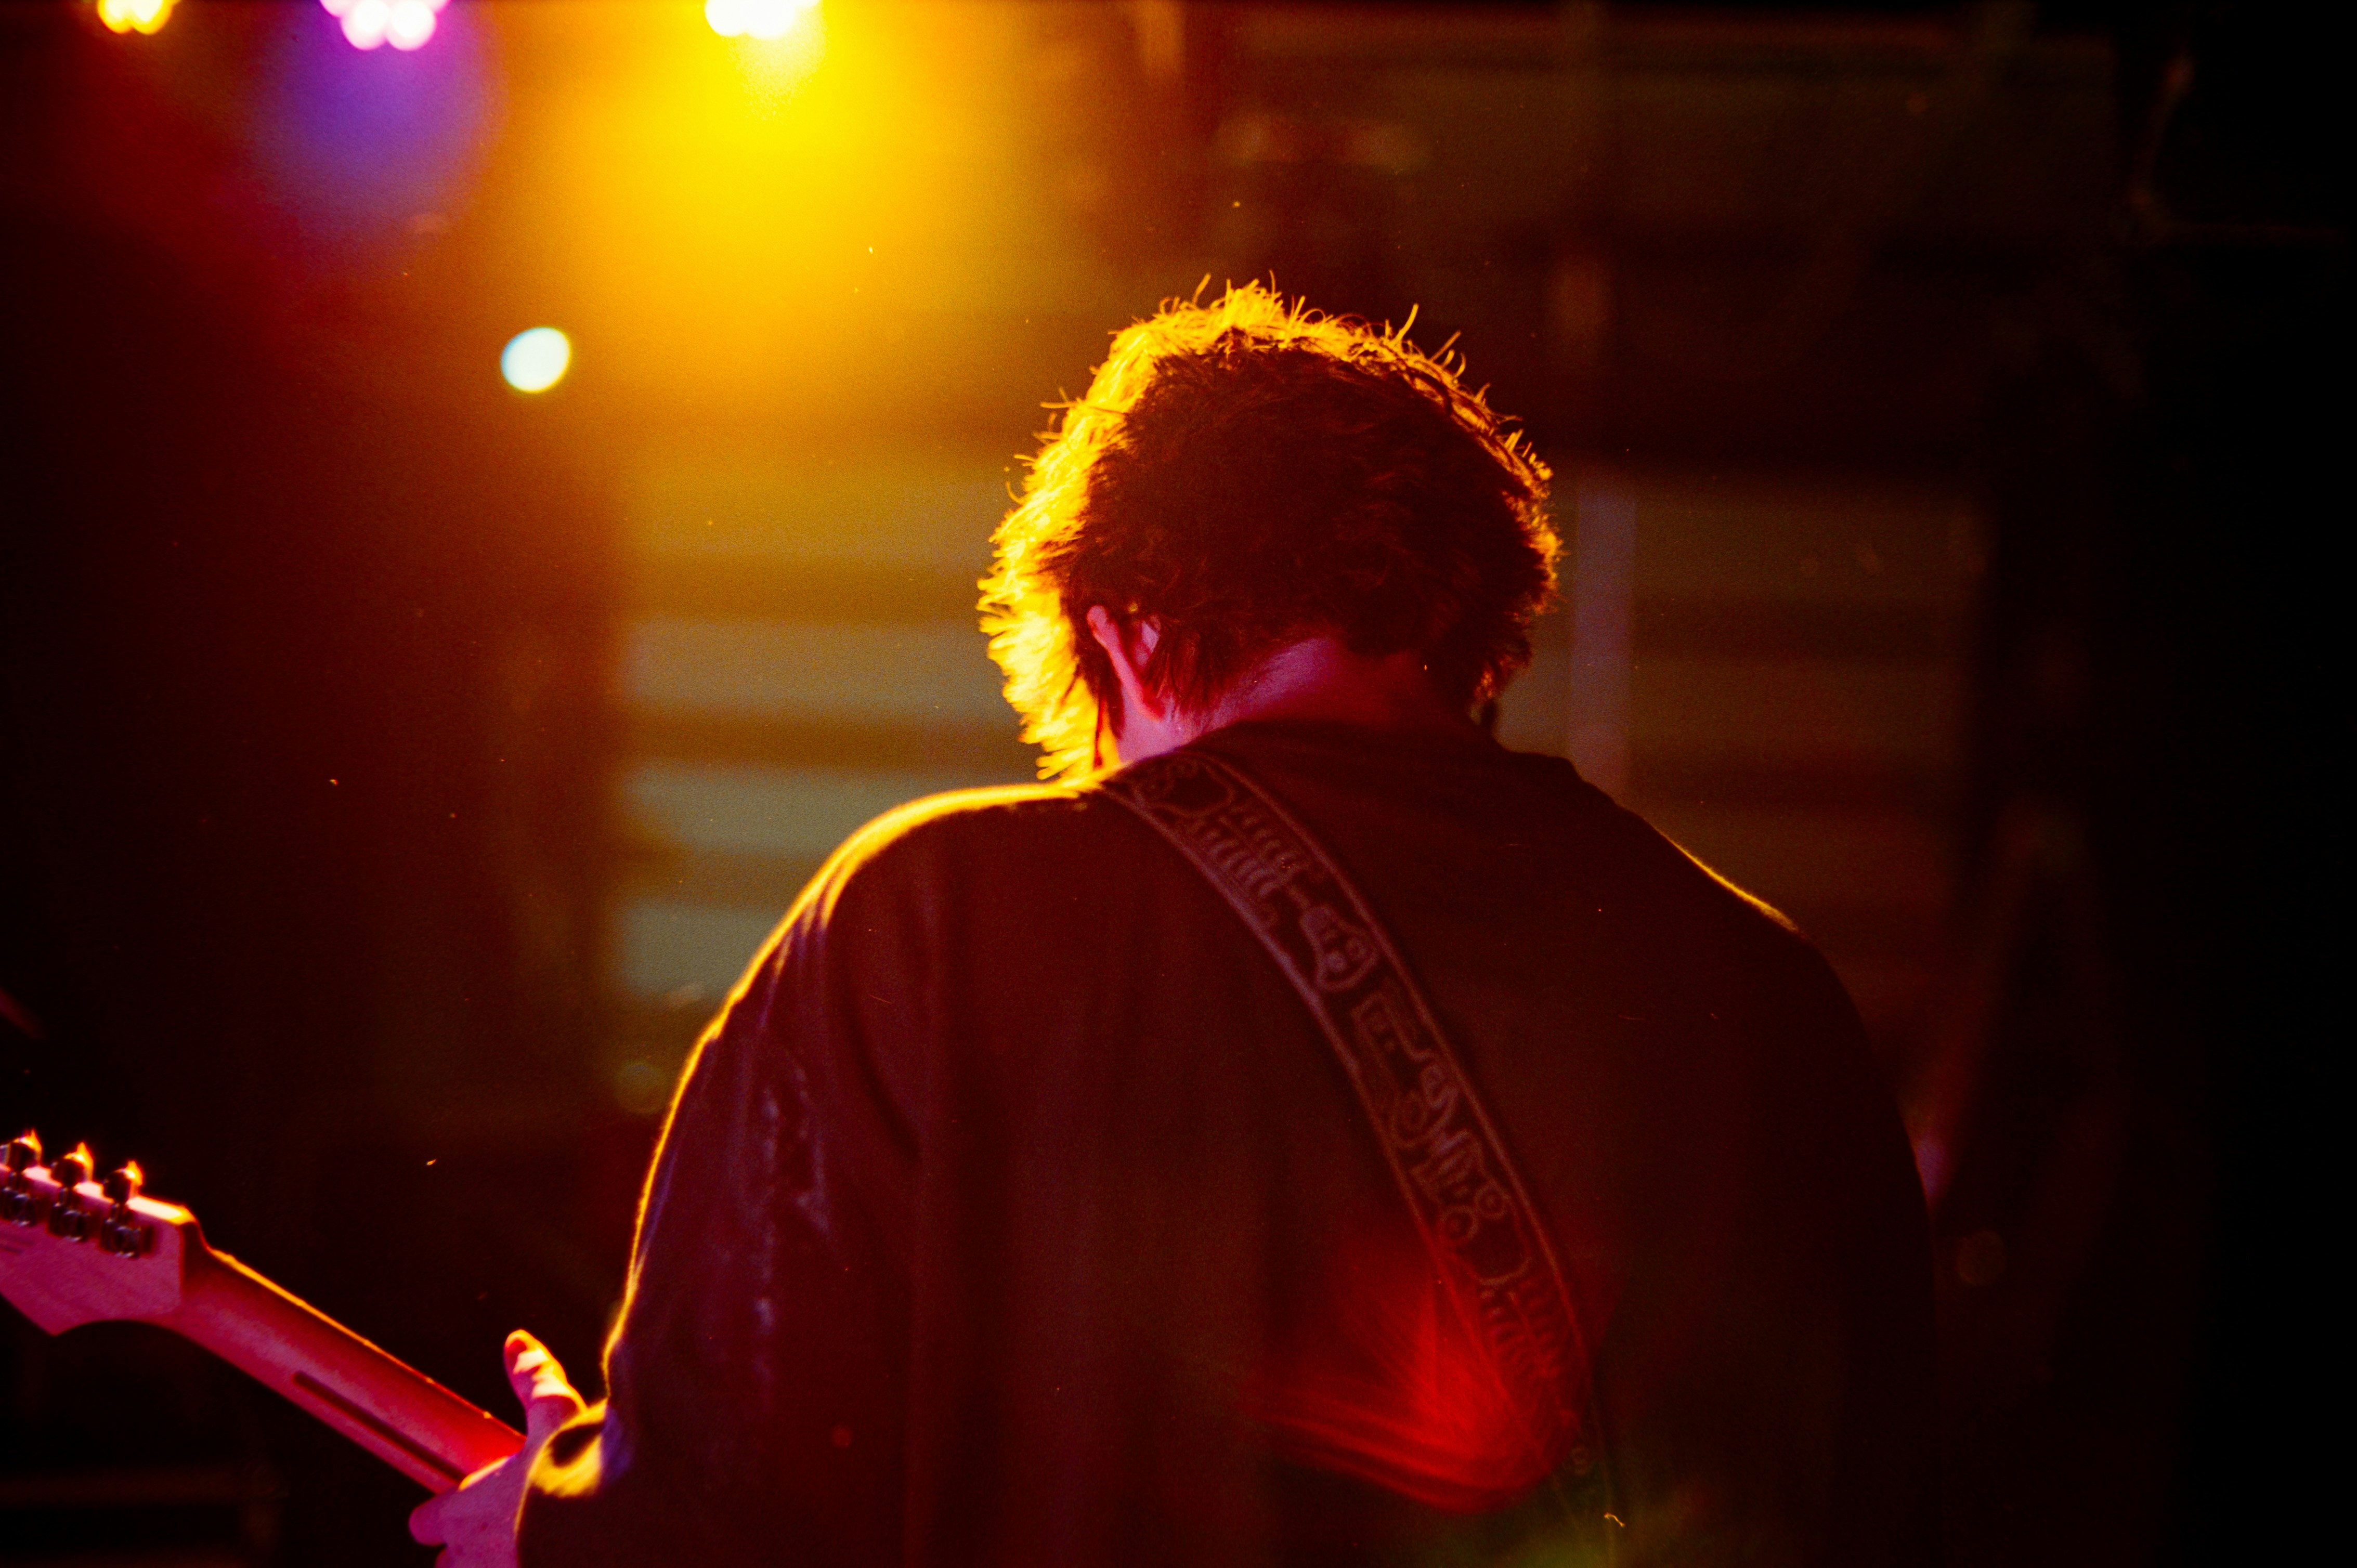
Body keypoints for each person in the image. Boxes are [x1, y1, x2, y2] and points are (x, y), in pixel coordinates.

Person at [413, 284, 1934, 1565]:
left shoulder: (935, 921)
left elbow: (744, 1503)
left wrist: (569, 1523)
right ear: (1468, 623)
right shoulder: (1772, 994)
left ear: (1119, 628)